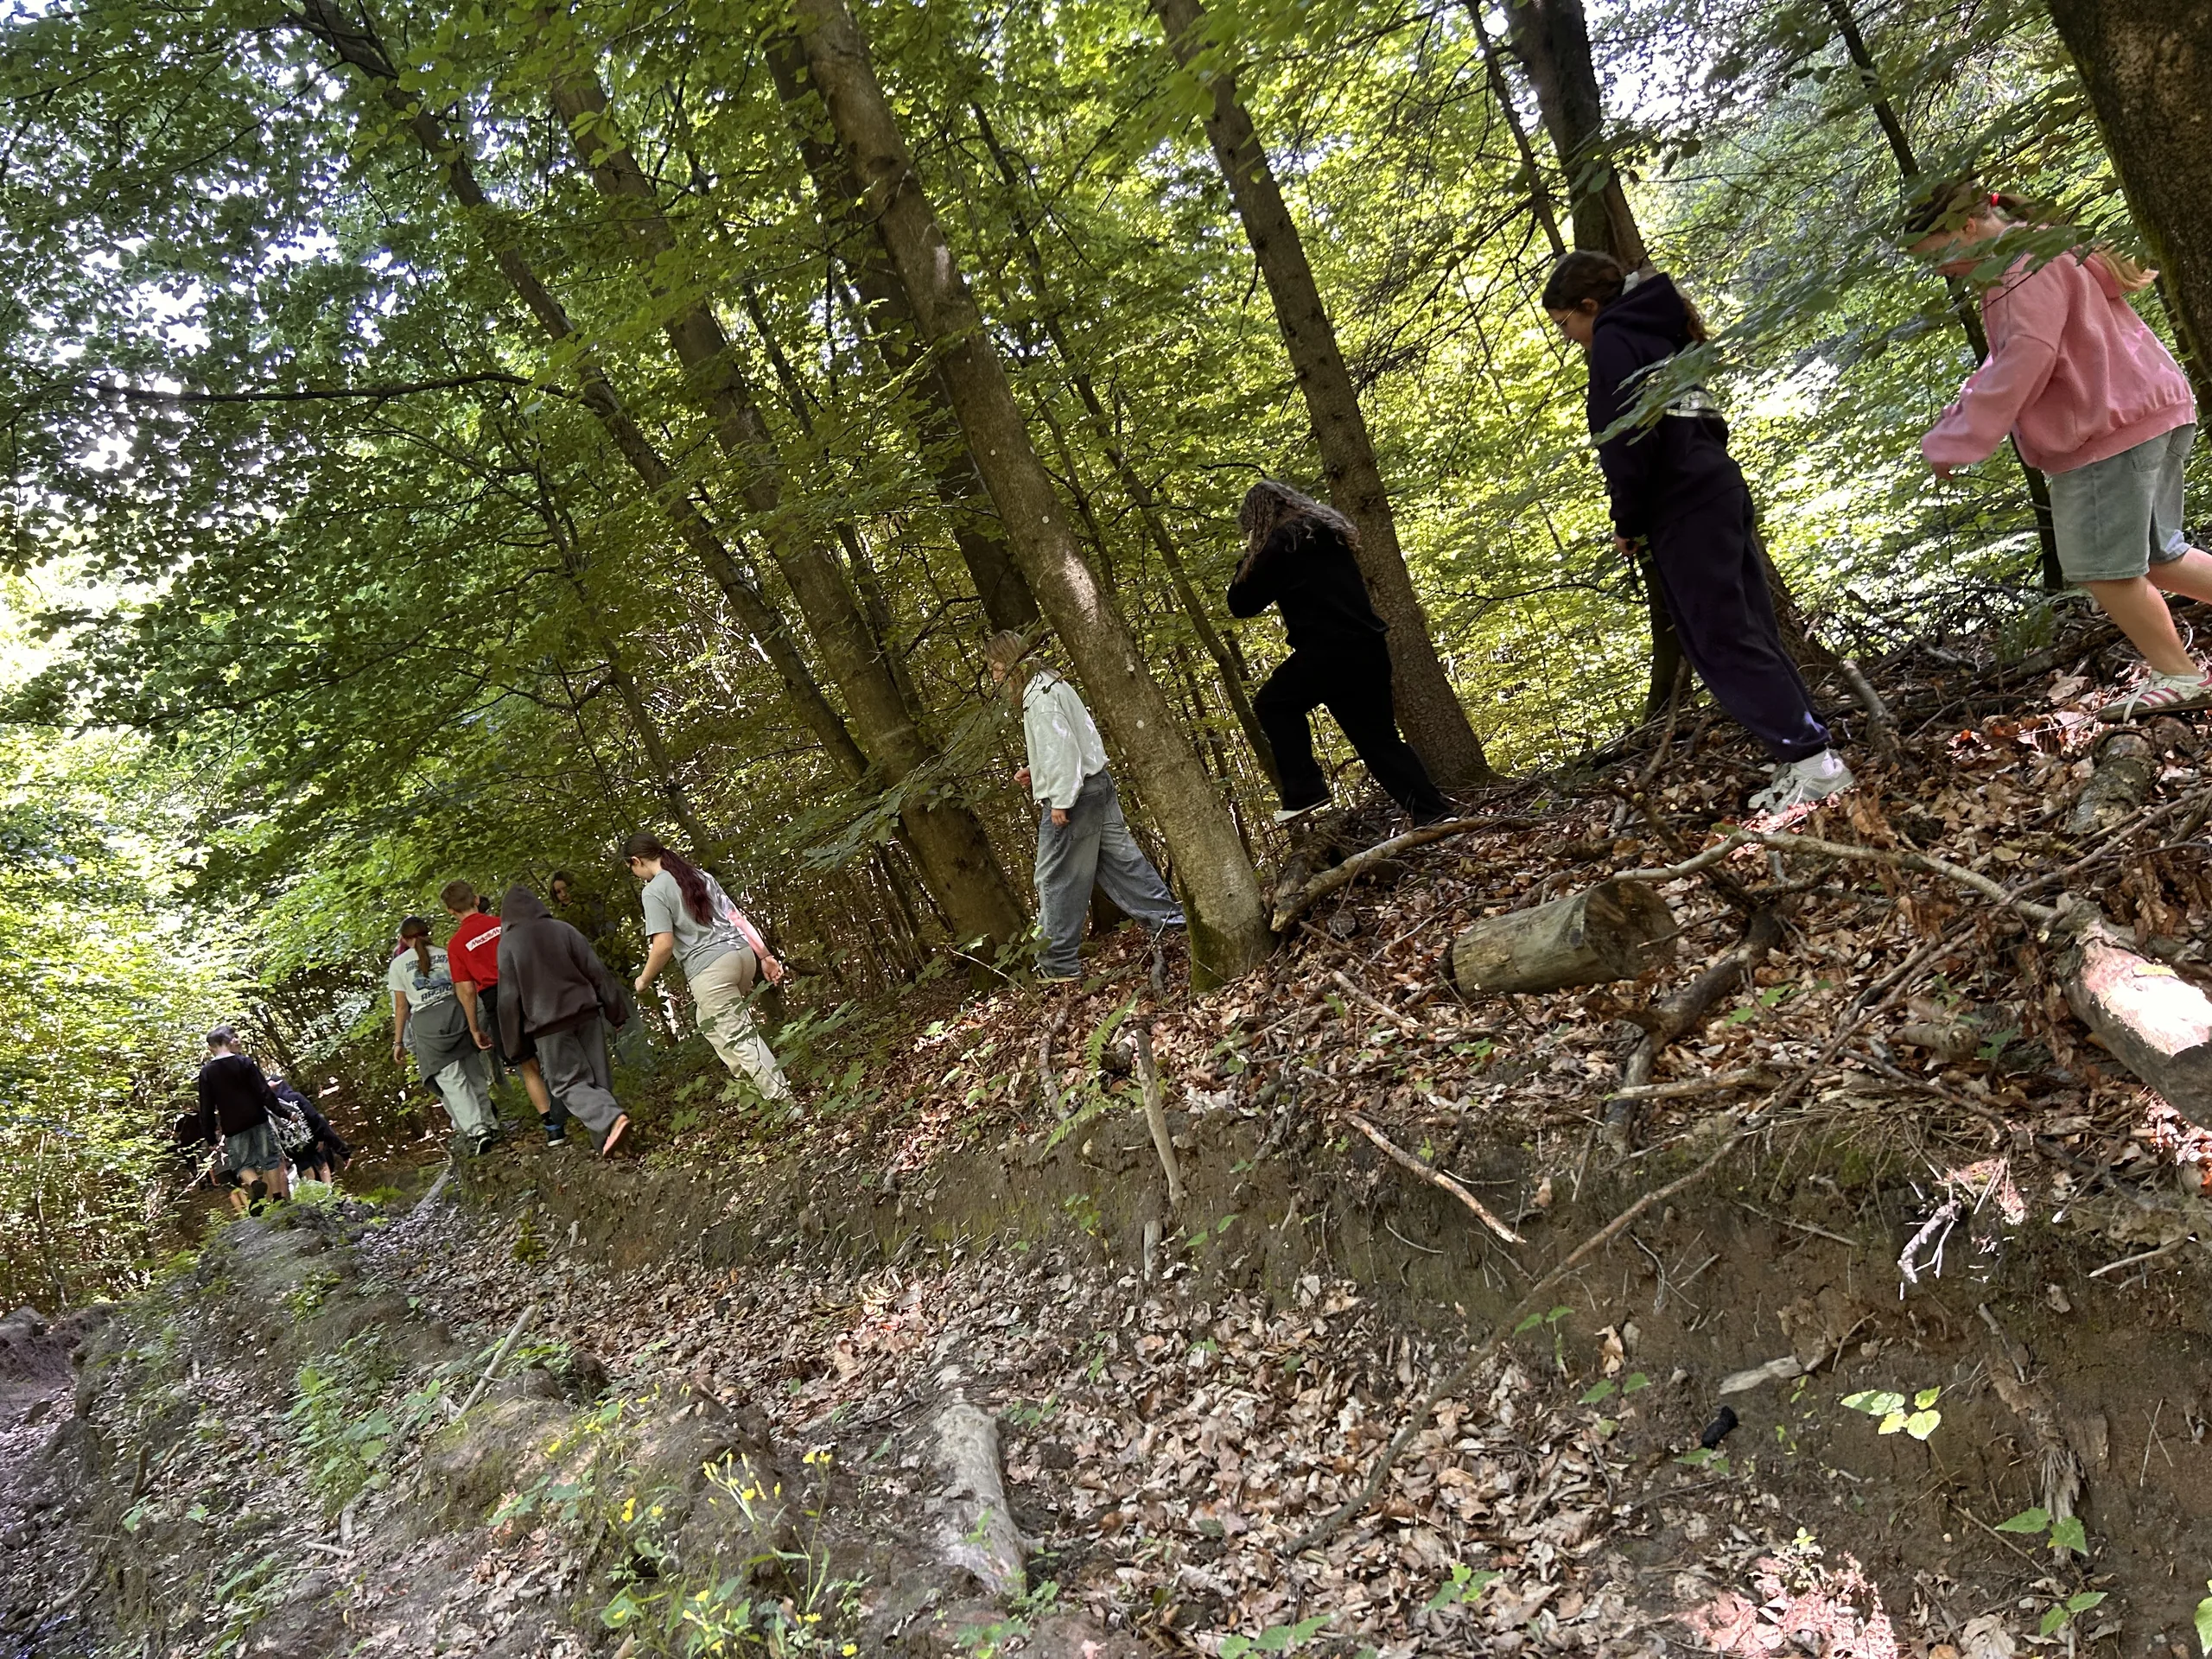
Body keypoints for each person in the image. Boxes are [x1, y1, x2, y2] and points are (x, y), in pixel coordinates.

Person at [1540, 251, 1852, 814]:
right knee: (1750, 631)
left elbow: (1625, 443)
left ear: (1589, 306)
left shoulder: (1614, 340)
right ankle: (1804, 756)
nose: (1567, 337)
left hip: (1682, 506)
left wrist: (1628, 522)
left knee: (1724, 640)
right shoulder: (1661, 329)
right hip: (1717, 487)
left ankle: (1815, 764)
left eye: (1565, 324)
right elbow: (1708, 417)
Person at [1909, 181, 2212, 718]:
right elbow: (2009, 359)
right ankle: (2178, 672)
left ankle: (2182, 676)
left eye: (1934, 256)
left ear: (1965, 227)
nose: (1938, 272)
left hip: (2105, 430)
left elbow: (2027, 359)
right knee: (2160, 558)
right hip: (2147, 410)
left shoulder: (2024, 269)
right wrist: (1956, 423)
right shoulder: (2041, 251)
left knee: (2102, 568)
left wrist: (1960, 440)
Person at [1226, 481, 1452, 825]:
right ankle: (1435, 814)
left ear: (1259, 517)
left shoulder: (1278, 544)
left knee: (1274, 704)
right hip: (1369, 648)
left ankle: (1305, 789)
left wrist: (1250, 555)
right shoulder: (1329, 533)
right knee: (1380, 741)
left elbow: (1241, 603)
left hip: (1327, 653)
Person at [981, 637, 1187, 983]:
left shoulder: (1039, 698)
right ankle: (1172, 923)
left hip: (1075, 797)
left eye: (996, 668)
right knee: (1122, 862)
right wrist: (1039, 771)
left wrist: (1061, 798)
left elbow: (1063, 751)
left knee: (1056, 878)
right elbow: (1072, 743)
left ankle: (1058, 965)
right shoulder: (1051, 684)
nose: (995, 677)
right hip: (1095, 785)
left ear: (1012, 663)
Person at [624, 833, 798, 1099]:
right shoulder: (700, 876)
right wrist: (764, 956)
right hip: (741, 956)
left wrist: (644, 980)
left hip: (710, 968)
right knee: (706, 1021)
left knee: (741, 1037)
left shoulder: (654, 890)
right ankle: (751, 1087)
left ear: (636, 861)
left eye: (631, 868)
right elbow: (736, 918)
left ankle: (784, 1102)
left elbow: (663, 945)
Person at [495, 885, 634, 1154]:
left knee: (567, 1084)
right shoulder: (564, 929)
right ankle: (611, 1146)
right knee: (599, 1080)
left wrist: (515, 1047)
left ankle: (612, 1121)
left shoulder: (508, 945)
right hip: (587, 1014)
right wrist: (615, 1010)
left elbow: (508, 1000)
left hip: (548, 1025)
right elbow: (597, 971)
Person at [441, 880, 569, 1147]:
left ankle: (553, 1127)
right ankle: (579, 1105)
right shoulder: (504, 923)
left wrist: (474, 1027)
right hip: (529, 987)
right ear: (476, 899)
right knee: (554, 1050)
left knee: (527, 1063)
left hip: (497, 1002)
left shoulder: (456, 945)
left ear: (451, 912)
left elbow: (465, 991)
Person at [389, 916, 500, 1155]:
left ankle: (478, 1130)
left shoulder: (398, 965)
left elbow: (401, 1007)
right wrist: (474, 1025)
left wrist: (399, 1041)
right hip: (456, 1014)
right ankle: (491, 1123)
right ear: (428, 933)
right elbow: (464, 988)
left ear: (404, 938)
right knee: (473, 1072)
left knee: (451, 1080)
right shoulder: (446, 953)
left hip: (428, 1026)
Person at [195, 1027, 292, 1215]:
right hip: (257, 1118)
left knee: (241, 1164)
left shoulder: (207, 1072)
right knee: (269, 1159)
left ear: (210, 1048)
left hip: (233, 1125)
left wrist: (210, 1136)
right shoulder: (245, 1062)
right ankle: (279, 1198)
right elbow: (264, 1092)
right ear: (228, 1042)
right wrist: (284, 1114)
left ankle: (255, 1183)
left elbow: (206, 1106)